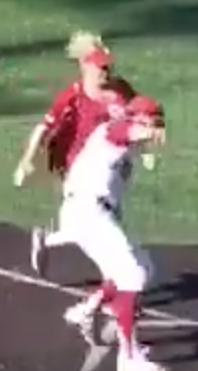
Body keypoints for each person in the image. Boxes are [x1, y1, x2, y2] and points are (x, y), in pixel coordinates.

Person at [55, 94, 168, 371]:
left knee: (142, 268)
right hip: (86, 212)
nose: (157, 126)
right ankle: (127, 358)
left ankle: (87, 309)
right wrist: (149, 132)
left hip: (98, 214)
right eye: (154, 119)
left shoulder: (123, 147)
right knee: (132, 276)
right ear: (140, 118)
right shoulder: (112, 130)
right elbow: (125, 131)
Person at [14, 31, 137, 280]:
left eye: (108, 67)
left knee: (102, 220)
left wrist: (137, 152)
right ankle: (115, 279)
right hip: (77, 166)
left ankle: (50, 242)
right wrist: (27, 160)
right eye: (101, 67)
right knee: (95, 221)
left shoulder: (120, 90)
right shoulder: (73, 97)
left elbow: (137, 115)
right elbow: (44, 127)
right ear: (86, 67)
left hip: (110, 164)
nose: (106, 72)